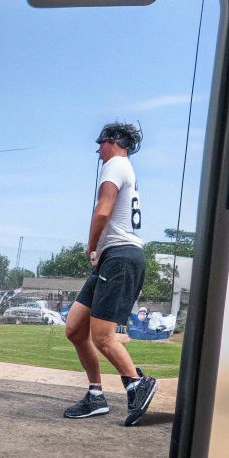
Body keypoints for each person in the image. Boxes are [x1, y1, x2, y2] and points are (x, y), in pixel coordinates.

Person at [63, 122, 159, 426]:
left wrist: (91, 247)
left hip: (119, 256)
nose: (97, 150)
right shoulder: (122, 166)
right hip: (113, 258)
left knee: (103, 337)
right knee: (75, 329)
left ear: (114, 141)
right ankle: (95, 397)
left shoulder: (116, 163)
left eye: (100, 143)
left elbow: (102, 211)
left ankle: (136, 383)